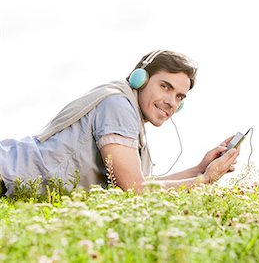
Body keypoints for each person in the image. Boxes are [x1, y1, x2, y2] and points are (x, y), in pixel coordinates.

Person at [0, 50, 239, 197]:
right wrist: (204, 181)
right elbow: (134, 190)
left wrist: (198, 169)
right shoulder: (118, 106)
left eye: (179, 97)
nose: (171, 102)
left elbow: (142, 185)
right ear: (140, 79)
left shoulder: (130, 114)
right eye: (165, 87)